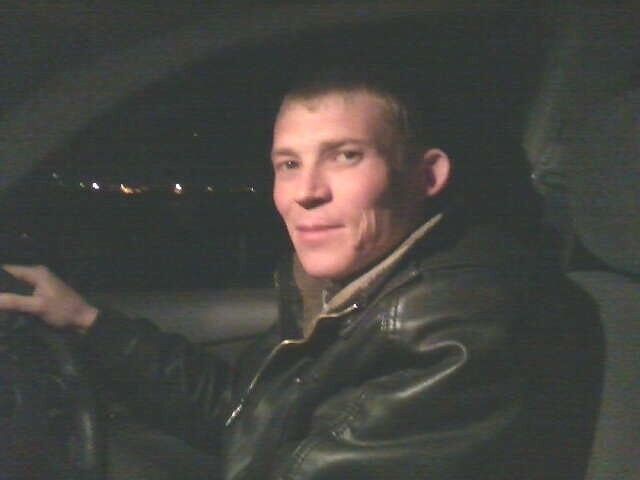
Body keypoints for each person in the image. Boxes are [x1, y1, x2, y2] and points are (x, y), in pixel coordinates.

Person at [0, 67, 601, 479]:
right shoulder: (353, 285)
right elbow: (247, 417)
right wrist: (85, 321)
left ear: (427, 176)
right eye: (289, 164)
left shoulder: (462, 330)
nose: (306, 192)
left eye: (346, 155)